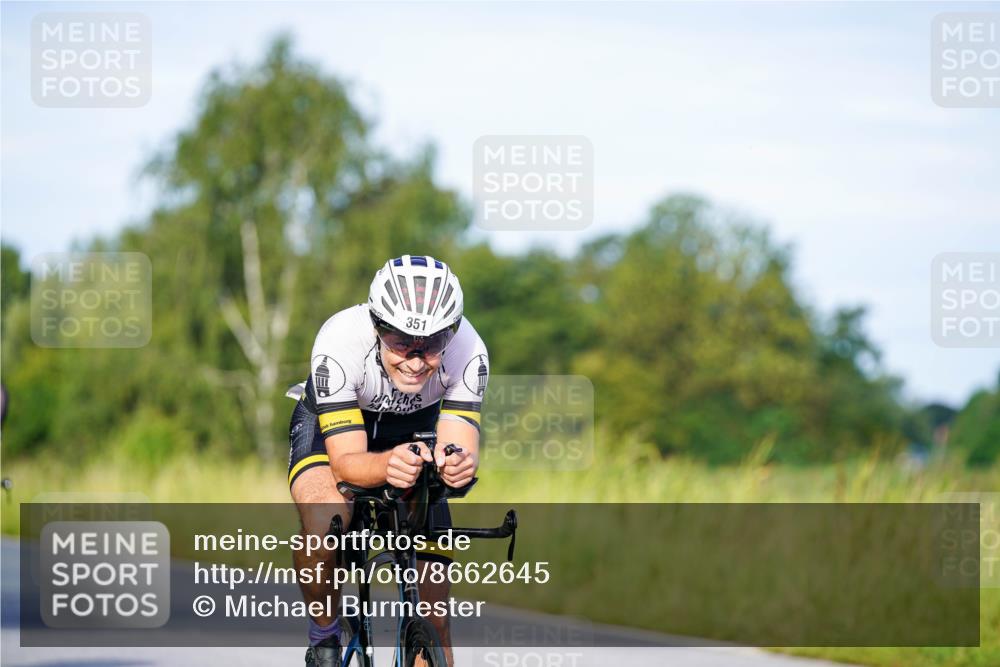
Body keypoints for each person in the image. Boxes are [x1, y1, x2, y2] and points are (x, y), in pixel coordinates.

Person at [287, 255, 489, 667]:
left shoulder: (469, 350)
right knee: (324, 521)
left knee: (435, 613)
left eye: (432, 344)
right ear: (377, 325)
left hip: (415, 430)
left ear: (451, 332)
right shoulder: (340, 339)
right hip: (336, 429)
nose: (415, 361)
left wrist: (456, 468)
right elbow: (345, 465)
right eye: (401, 342)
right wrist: (387, 466)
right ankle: (324, 638)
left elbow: (458, 446)